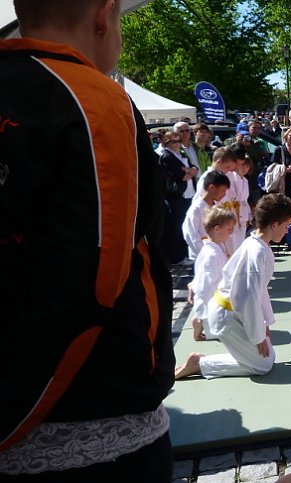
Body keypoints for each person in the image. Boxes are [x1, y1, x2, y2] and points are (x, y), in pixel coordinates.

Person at [0, 1, 175, 480]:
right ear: (104, 14)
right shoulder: (93, 99)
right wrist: (14, 413)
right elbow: (89, 283)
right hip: (90, 407)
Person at [175, 193, 291, 380]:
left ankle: (209, 358)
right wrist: (257, 336)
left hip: (231, 311)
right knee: (263, 365)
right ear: (274, 224)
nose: (288, 230)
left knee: (269, 355)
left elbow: (259, 292)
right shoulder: (256, 252)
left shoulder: (255, 243)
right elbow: (247, 299)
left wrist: (265, 324)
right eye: (287, 225)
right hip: (227, 315)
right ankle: (200, 364)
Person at [188, 207, 236, 341]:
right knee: (224, 332)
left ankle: (203, 321)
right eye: (229, 229)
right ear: (217, 229)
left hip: (216, 298)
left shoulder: (215, 248)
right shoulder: (211, 254)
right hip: (210, 302)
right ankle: (200, 322)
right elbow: (205, 285)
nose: (231, 233)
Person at [160, 130, 200, 264]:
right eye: (173, 142)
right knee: (176, 227)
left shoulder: (180, 154)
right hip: (177, 196)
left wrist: (189, 170)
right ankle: (176, 256)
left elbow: (194, 168)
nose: (177, 144)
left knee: (184, 225)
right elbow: (179, 176)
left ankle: (183, 253)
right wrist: (188, 171)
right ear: (167, 143)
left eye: (178, 141)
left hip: (188, 194)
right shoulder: (167, 156)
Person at [182, 170, 231, 261]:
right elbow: (190, 234)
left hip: (218, 254)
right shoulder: (196, 209)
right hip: (203, 255)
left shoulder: (217, 207)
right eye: (223, 191)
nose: (224, 195)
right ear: (212, 188)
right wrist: (204, 253)